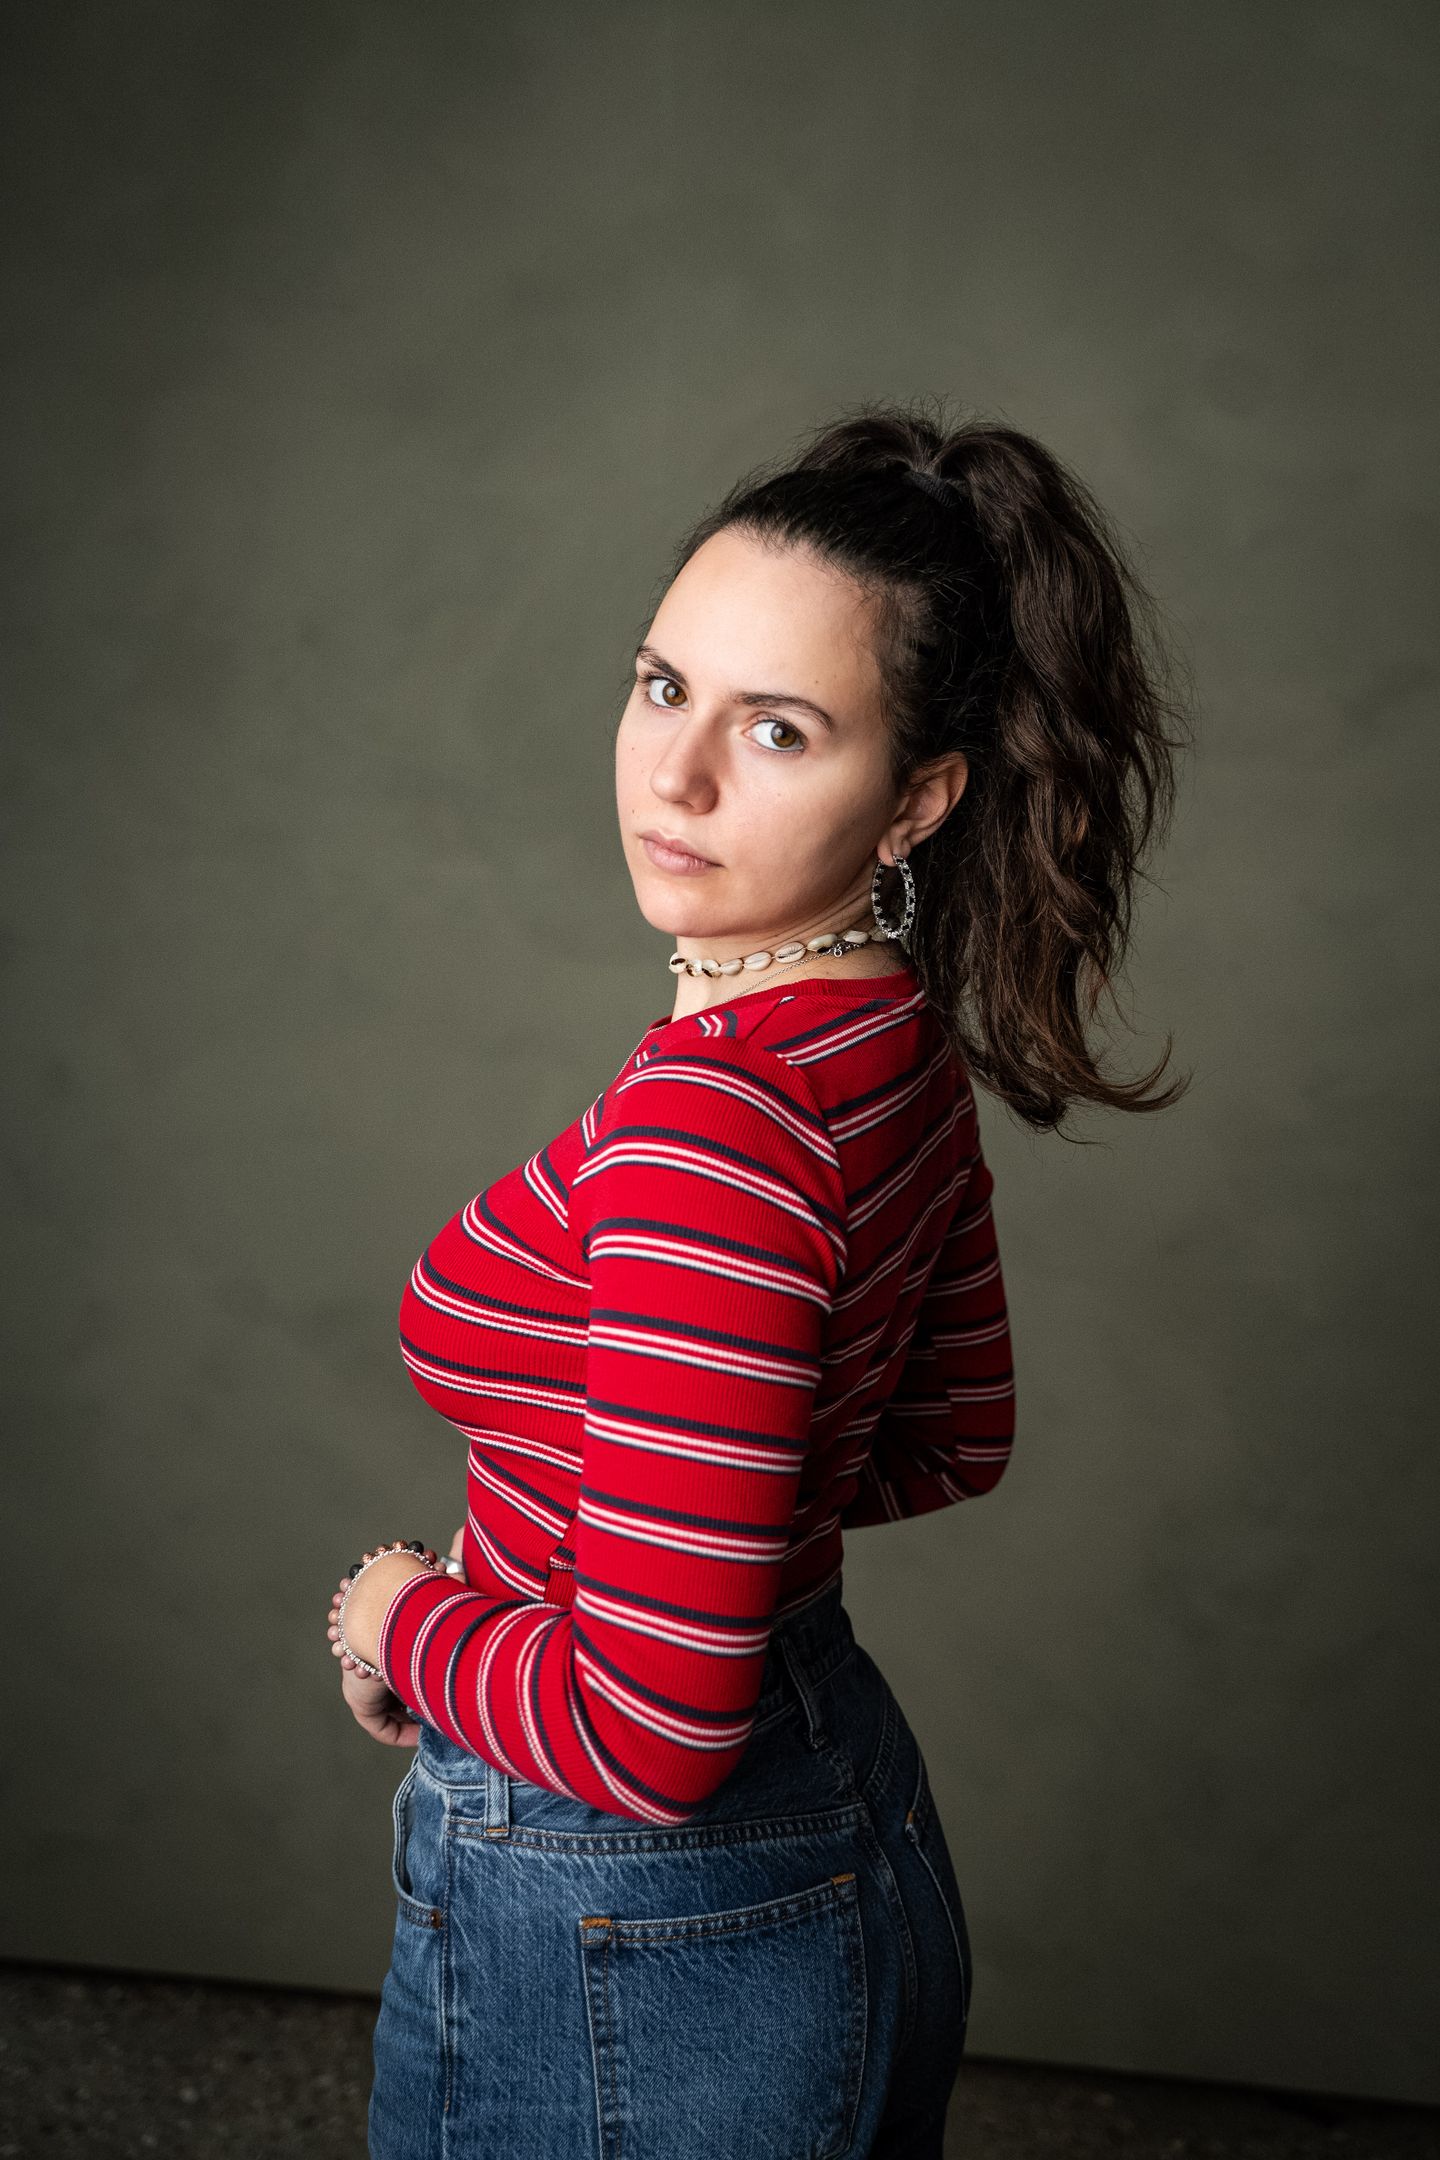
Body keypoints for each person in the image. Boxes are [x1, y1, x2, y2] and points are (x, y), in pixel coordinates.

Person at [323, 398, 1190, 2158]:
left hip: (630, 1908)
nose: (677, 776)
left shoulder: (711, 1127)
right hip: (833, 1817)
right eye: (663, 689)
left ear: (918, 800)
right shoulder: (885, 1042)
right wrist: (665, 1542)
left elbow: (646, 1740)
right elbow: (948, 1433)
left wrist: (403, 1615)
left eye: (777, 729)